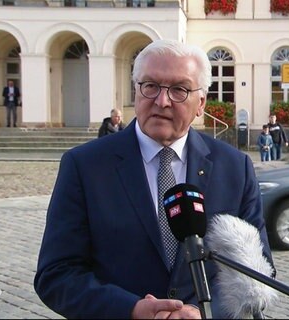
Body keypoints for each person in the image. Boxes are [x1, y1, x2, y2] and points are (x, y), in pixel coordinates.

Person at [33, 39, 274, 319]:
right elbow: (56, 274)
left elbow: (258, 273)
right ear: (136, 91)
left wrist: (203, 312)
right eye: (150, 86)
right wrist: (130, 310)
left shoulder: (235, 167)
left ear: (201, 103)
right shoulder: (85, 166)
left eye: (179, 90)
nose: (162, 101)